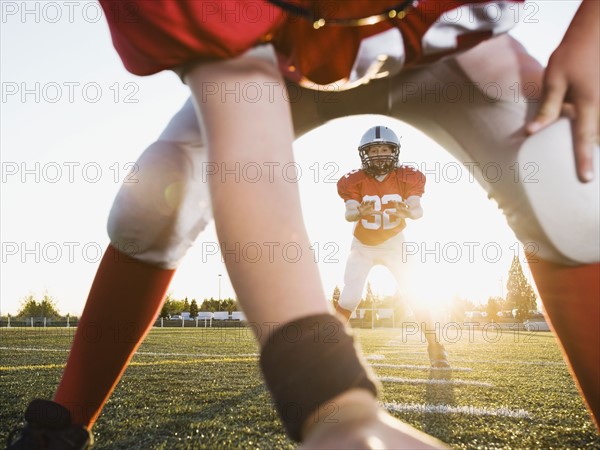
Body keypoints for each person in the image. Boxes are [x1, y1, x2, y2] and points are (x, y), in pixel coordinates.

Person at [8, 0, 598, 448]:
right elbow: (247, 138)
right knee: (152, 203)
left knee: (568, 183)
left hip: (443, 49)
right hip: (269, 62)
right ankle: (63, 422)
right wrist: (331, 401)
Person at [335, 125, 449, 368]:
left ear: (394, 151)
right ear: (365, 154)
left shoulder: (408, 176)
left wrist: (410, 211)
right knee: (350, 296)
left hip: (395, 243)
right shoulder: (353, 180)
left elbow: (417, 210)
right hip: (363, 245)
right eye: (374, 150)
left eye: (384, 149)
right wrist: (357, 212)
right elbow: (349, 213)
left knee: (417, 294)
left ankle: (435, 347)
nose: (379, 154)